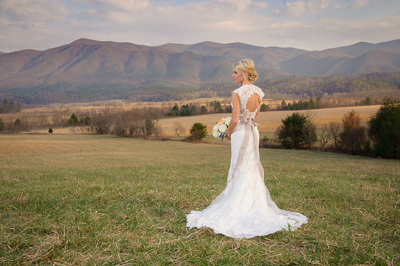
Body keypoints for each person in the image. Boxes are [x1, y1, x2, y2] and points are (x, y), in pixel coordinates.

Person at [186, 59, 308, 239]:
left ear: (244, 73)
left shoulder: (237, 93)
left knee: (239, 165)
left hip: (241, 133)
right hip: (253, 132)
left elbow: (235, 120)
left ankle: (238, 205)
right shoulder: (259, 92)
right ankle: (253, 204)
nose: (232, 75)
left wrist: (228, 133)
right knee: (251, 166)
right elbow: (256, 116)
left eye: (235, 72)